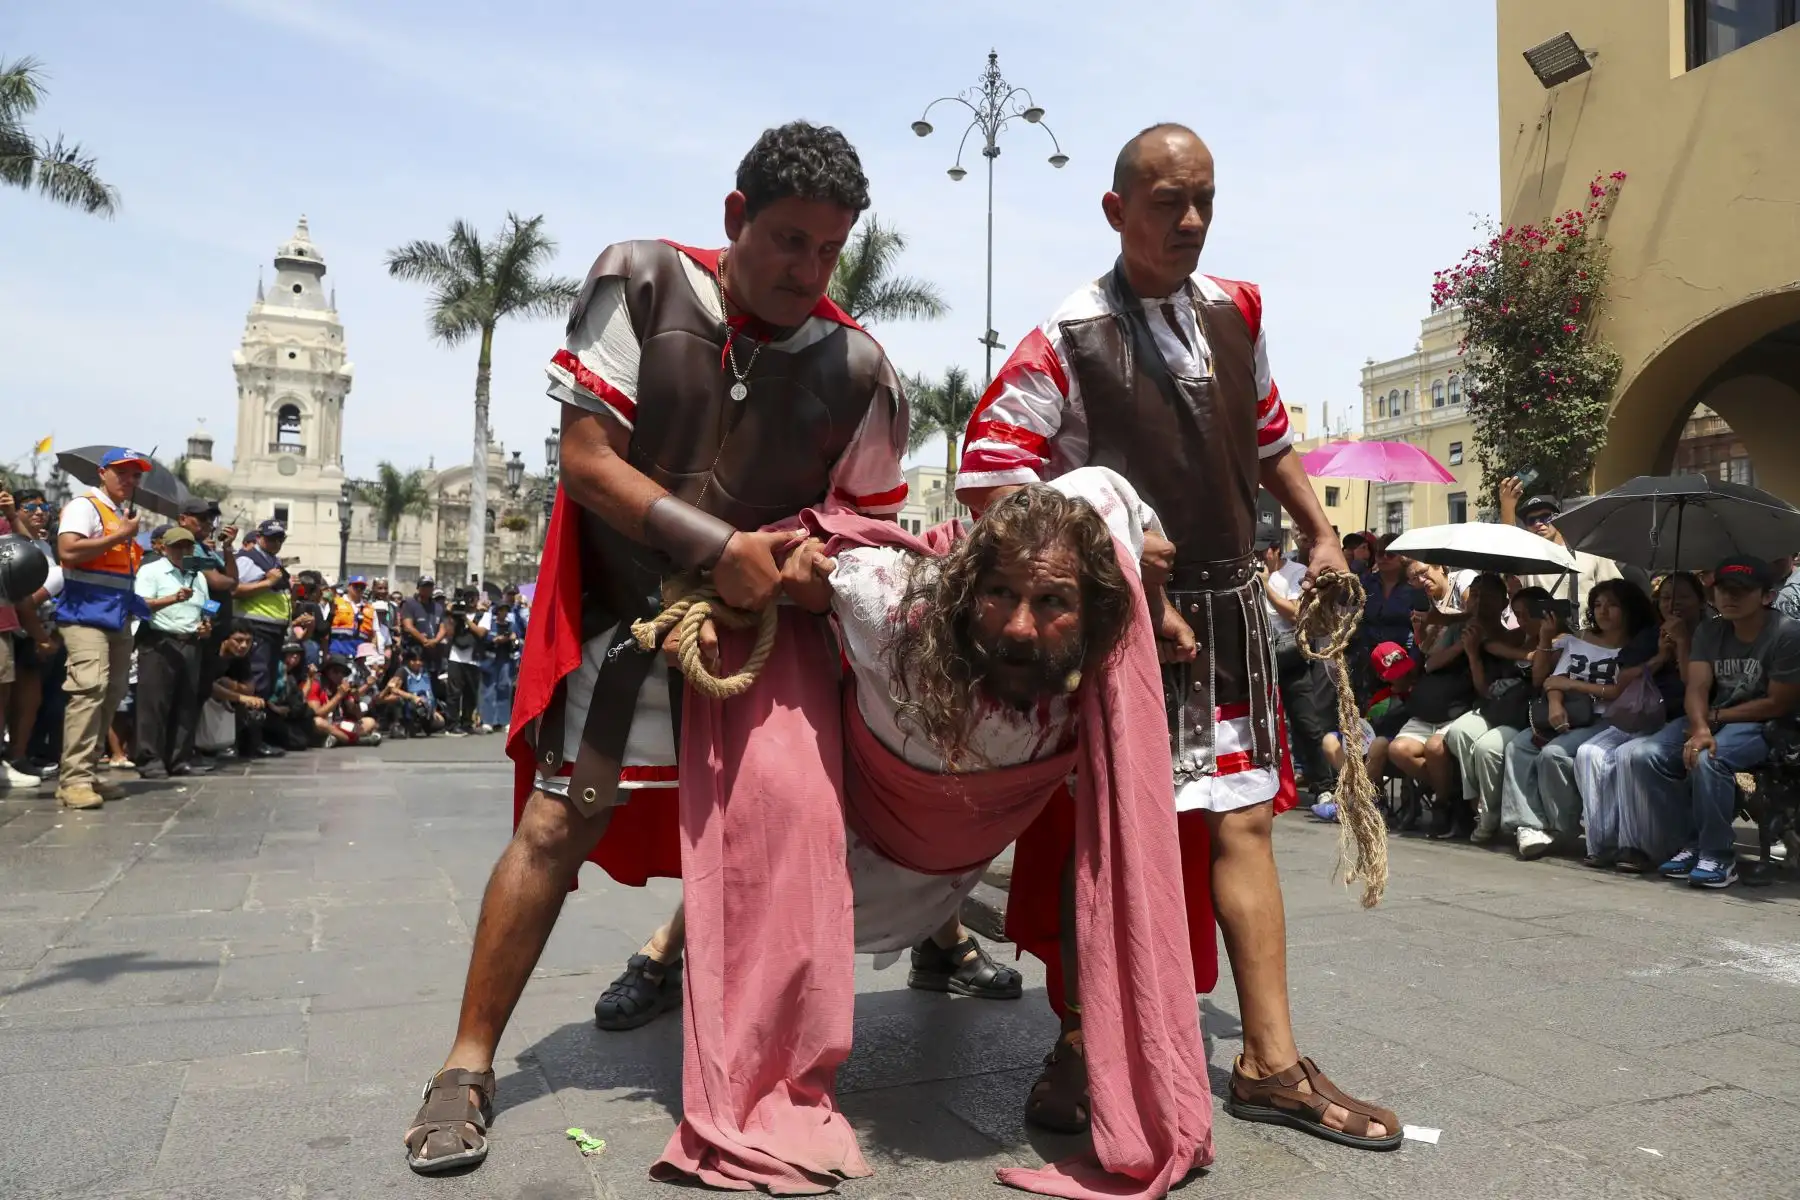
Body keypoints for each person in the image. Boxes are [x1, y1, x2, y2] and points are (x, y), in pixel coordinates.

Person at [405, 121, 915, 1175]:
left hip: (762, 650)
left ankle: (740, 1035)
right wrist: (722, 546)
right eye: (786, 241)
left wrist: (816, 566)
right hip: (627, 624)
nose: (807, 270)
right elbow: (588, 462)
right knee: (560, 823)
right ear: (734, 218)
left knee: (780, 838)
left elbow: (866, 523)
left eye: (830, 249)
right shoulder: (636, 280)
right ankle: (465, 1063)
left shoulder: (863, 368)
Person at [955, 123, 1394, 1151]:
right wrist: (1109, 570)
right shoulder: (1066, 335)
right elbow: (990, 473)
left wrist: (1323, 532)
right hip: (1121, 633)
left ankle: (1270, 1061)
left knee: (1244, 826)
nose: (1190, 221)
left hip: (1234, 616)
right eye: (1166, 202)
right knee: (1106, 836)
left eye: (1203, 199)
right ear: (1116, 210)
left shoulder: (1237, 310)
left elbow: (1271, 436)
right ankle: (1078, 1039)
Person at [654, 471, 1208, 1195]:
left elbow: (1118, 498)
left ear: (1101, 604)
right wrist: (727, 604)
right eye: (999, 593)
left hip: (966, 851)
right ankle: (665, 948)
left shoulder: (1109, 642)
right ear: (966, 585)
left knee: (1107, 848)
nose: (1017, 626)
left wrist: (1157, 598)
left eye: (1052, 603)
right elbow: (773, 567)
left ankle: (1080, 1038)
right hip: (863, 861)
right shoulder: (888, 603)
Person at [1620, 557, 1800, 890]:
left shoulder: (1787, 634)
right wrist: (1701, 727)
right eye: (1722, 590)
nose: (1729, 597)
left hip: (1768, 724)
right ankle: (1690, 844)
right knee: (1645, 755)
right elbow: (1697, 686)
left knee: (1710, 759)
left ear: (1766, 597)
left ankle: (1718, 855)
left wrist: (1712, 722)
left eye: (1741, 591)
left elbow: (1779, 703)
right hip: (1715, 717)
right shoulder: (1710, 629)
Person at [1499, 579, 1659, 859]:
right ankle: (1529, 826)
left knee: (1554, 755)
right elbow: (1551, 679)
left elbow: (1617, 691)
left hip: (1606, 720)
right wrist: (1555, 704)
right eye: (1597, 605)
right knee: (1519, 746)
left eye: (1612, 605)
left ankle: (1564, 824)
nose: (1603, 611)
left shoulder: (1639, 647)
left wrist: (1574, 687)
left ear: (1630, 609)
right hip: (1568, 713)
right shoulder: (1578, 639)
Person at [1576, 572, 1707, 871]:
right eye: (1665, 597)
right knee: (1589, 753)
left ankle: (1638, 846)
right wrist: (1660, 656)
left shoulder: (1709, 634)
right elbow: (1622, 679)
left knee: (1628, 756)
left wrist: (1684, 644)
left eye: (1682, 596)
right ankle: (1603, 844)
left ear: (1701, 601)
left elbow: (1694, 684)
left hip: (1680, 715)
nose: (1672, 603)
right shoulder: (1651, 634)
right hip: (1642, 712)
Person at [54, 448, 152, 809]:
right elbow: (68, 551)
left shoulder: (120, 515)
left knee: (111, 694)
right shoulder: (85, 507)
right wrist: (120, 536)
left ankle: (88, 771)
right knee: (88, 690)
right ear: (102, 473)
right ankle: (73, 780)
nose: (130, 480)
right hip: (84, 615)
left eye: (135, 475)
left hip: (117, 616)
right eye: (122, 472)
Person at [130, 526, 210, 779]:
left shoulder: (198, 575)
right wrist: (172, 599)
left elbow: (208, 604)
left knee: (186, 704)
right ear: (164, 548)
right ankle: (149, 758)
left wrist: (207, 623)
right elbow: (140, 604)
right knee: (154, 703)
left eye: (188, 546)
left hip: (190, 641)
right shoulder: (151, 571)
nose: (183, 551)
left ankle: (179, 758)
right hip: (160, 641)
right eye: (177, 546)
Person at [1259, 531, 1333, 794]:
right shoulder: (1245, 572)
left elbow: (1295, 613)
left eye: (1262, 551)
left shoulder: (1296, 572)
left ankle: (1324, 783)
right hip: (1258, 656)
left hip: (1289, 654)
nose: (1258, 558)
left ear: (1276, 549)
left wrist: (1265, 586)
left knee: (1305, 721)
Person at [1499, 483, 1629, 621]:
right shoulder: (1530, 559)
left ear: (1558, 517)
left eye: (1545, 517)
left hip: (1586, 635)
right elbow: (1509, 545)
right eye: (1531, 520)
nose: (1538, 523)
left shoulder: (1589, 552)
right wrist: (1507, 506)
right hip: (1545, 637)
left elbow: (1615, 592)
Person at [5, 488, 63, 783]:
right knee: (19, 698)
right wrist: (39, 634)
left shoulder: (46, 546)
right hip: (24, 631)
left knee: (33, 699)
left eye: (45, 507)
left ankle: (20, 755)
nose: (40, 512)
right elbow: (25, 597)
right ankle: (14, 757)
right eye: (30, 507)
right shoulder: (13, 543)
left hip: (41, 632)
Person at [234, 521, 292, 737]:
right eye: (271, 538)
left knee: (266, 682)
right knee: (257, 681)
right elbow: (235, 589)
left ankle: (258, 735)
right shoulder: (247, 559)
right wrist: (267, 583)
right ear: (259, 537)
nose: (276, 543)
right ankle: (249, 737)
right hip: (256, 626)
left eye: (280, 539)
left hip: (272, 630)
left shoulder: (272, 560)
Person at [307, 654, 380, 747]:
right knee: (317, 722)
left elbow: (357, 715)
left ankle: (337, 738)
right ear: (327, 672)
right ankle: (354, 741)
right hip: (325, 724)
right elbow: (317, 713)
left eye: (343, 673)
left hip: (340, 724)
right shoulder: (316, 685)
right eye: (336, 671)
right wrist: (338, 696)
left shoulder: (343, 686)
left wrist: (356, 700)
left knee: (369, 722)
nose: (339, 675)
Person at [329, 576, 378, 658]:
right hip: (337, 649)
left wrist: (372, 653)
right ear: (348, 587)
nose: (359, 589)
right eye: (355, 586)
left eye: (362, 587)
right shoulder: (336, 602)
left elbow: (374, 635)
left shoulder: (370, 609)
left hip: (359, 653)